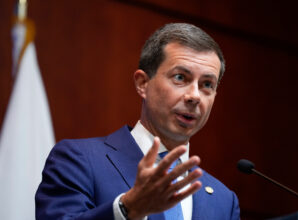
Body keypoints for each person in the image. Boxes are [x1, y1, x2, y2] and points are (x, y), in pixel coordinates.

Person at [35, 23, 240, 220]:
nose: (194, 96)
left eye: (207, 84)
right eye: (180, 77)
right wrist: (128, 209)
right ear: (143, 84)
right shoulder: (79, 160)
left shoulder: (224, 200)